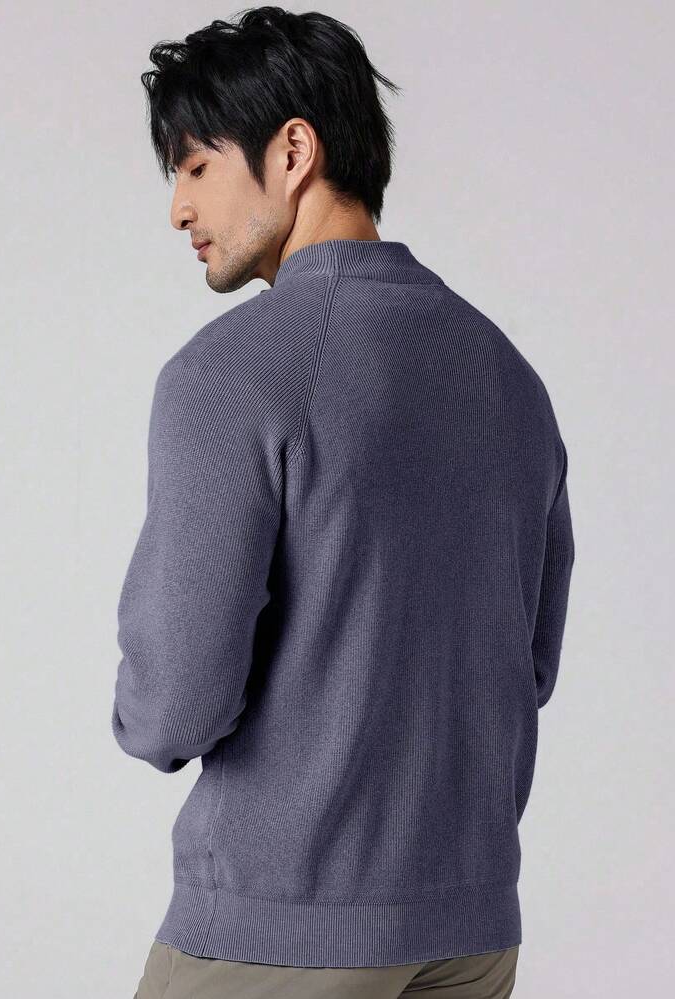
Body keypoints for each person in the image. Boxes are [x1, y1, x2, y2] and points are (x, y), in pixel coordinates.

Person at [111, 8, 575, 998]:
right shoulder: (506, 376)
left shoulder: (229, 375)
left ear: (292, 152)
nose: (178, 209)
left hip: (279, 933)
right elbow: (528, 662)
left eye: (194, 166)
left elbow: (173, 707)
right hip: (470, 931)